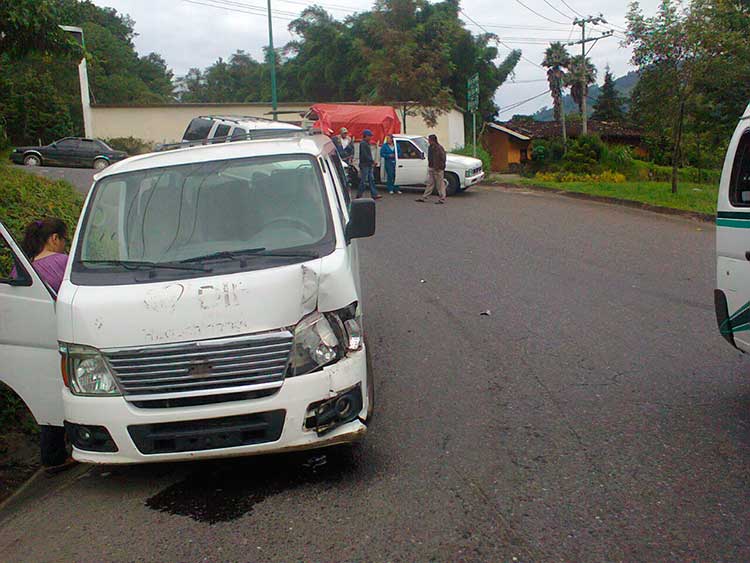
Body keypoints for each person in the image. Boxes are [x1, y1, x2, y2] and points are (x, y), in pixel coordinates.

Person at [19, 218, 69, 295]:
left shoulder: (20, 267)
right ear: (55, 238)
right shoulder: (65, 262)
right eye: (65, 240)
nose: (65, 245)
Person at [416, 134, 447, 204]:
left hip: (438, 169)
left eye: (429, 140)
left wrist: (440, 167)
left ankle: (442, 198)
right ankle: (424, 197)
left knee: (440, 184)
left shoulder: (439, 148)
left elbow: (443, 158)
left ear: (433, 140)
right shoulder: (430, 147)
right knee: (430, 183)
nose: (428, 141)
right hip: (431, 167)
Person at [357, 129, 381, 199]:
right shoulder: (363, 144)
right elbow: (365, 155)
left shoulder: (366, 143)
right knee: (364, 180)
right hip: (365, 165)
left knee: (371, 180)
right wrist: (372, 161)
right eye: (369, 136)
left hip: (368, 164)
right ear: (365, 136)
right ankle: (359, 194)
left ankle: (374, 194)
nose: (370, 137)